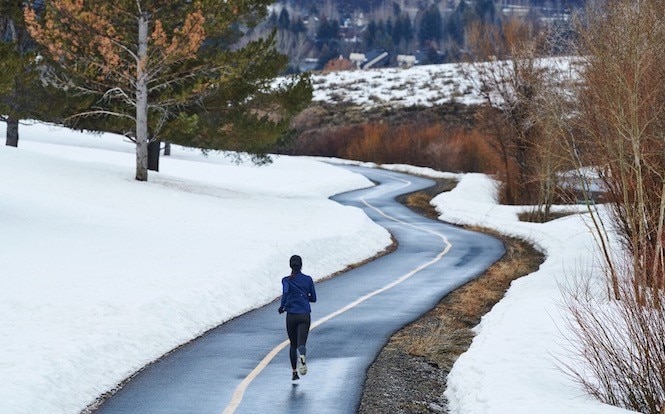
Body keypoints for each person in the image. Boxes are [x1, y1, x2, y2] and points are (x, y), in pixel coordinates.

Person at [278, 255, 317, 381]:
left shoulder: (286, 280)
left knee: (292, 345)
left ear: (290, 265)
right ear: (301, 265)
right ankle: (303, 355)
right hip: (304, 314)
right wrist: (305, 297)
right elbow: (314, 298)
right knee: (301, 344)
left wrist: (282, 307)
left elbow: (285, 293)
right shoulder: (308, 279)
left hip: (291, 315)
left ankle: (294, 372)